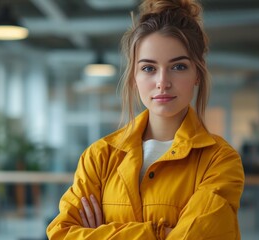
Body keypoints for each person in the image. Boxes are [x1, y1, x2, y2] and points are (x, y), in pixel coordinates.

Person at [46, 0, 245, 239]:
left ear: (197, 75)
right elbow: (61, 234)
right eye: (149, 68)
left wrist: (99, 234)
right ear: (133, 78)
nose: (163, 81)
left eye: (178, 66)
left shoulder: (220, 162)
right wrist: (161, 233)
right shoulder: (99, 158)